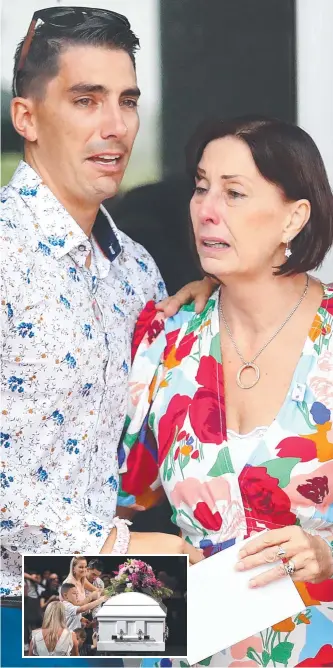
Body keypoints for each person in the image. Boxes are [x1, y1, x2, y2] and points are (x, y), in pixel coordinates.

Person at [0, 6, 212, 665]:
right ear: (27, 118)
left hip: (90, 608)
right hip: (12, 611)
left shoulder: (135, 269)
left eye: (126, 101)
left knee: (275, 629)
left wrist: (219, 301)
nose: (114, 126)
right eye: (85, 100)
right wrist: (124, 545)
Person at [118, 116, 333, 667]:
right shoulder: (166, 341)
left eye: (235, 192)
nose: (207, 209)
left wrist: (328, 554)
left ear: (295, 216)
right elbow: (109, 507)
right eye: (201, 186)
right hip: (187, 647)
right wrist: (134, 554)